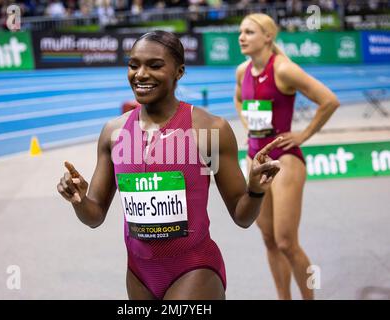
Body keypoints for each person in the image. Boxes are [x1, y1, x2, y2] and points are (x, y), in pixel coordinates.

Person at [57, 30, 282, 300]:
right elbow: (94, 217)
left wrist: (256, 190)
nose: (140, 74)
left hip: (194, 268)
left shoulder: (209, 130)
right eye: (133, 65)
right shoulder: (113, 133)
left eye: (154, 65)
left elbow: (242, 217)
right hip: (139, 272)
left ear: (179, 71)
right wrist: (79, 200)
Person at [234, 13, 340, 300]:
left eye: (249, 32)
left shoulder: (283, 69)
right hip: (254, 158)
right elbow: (239, 99)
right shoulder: (242, 71)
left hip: (285, 159)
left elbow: (329, 100)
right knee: (268, 239)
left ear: (268, 37)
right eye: (241, 32)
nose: (242, 37)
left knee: (286, 241)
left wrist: (303, 135)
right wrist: (248, 125)